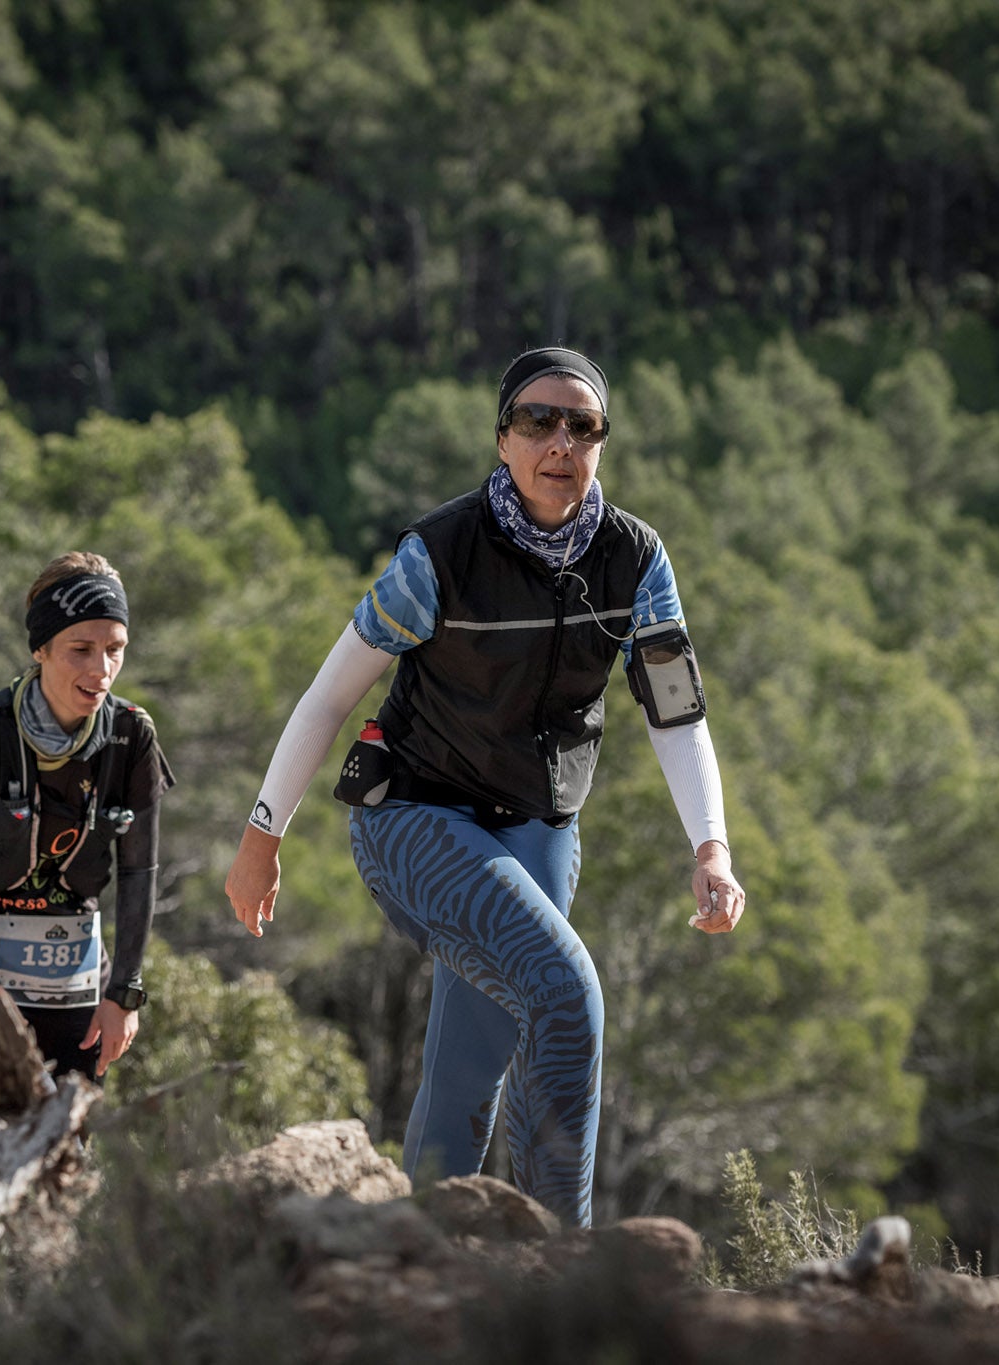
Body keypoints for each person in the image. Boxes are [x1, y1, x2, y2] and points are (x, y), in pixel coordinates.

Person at [225, 346, 746, 1227]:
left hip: (541, 826)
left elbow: (675, 715)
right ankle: (563, 1272)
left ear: (601, 447)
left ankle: (426, 1253)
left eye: (582, 426)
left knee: (470, 1064)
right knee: (568, 991)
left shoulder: (635, 560)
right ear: (502, 439)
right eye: (538, 421)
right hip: (415, 820)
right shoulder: (439, 553)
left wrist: (712, 848)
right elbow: (327, 698)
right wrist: (261, 837)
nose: (560, 441)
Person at [0, 552, 174, 1085]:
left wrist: (124, 992)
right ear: (41, 649)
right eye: (81, 650)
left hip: (73, 974)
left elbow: (140, 871)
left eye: (114, 650)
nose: (101, 670)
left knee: (66, 1146)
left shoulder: (132, 736)